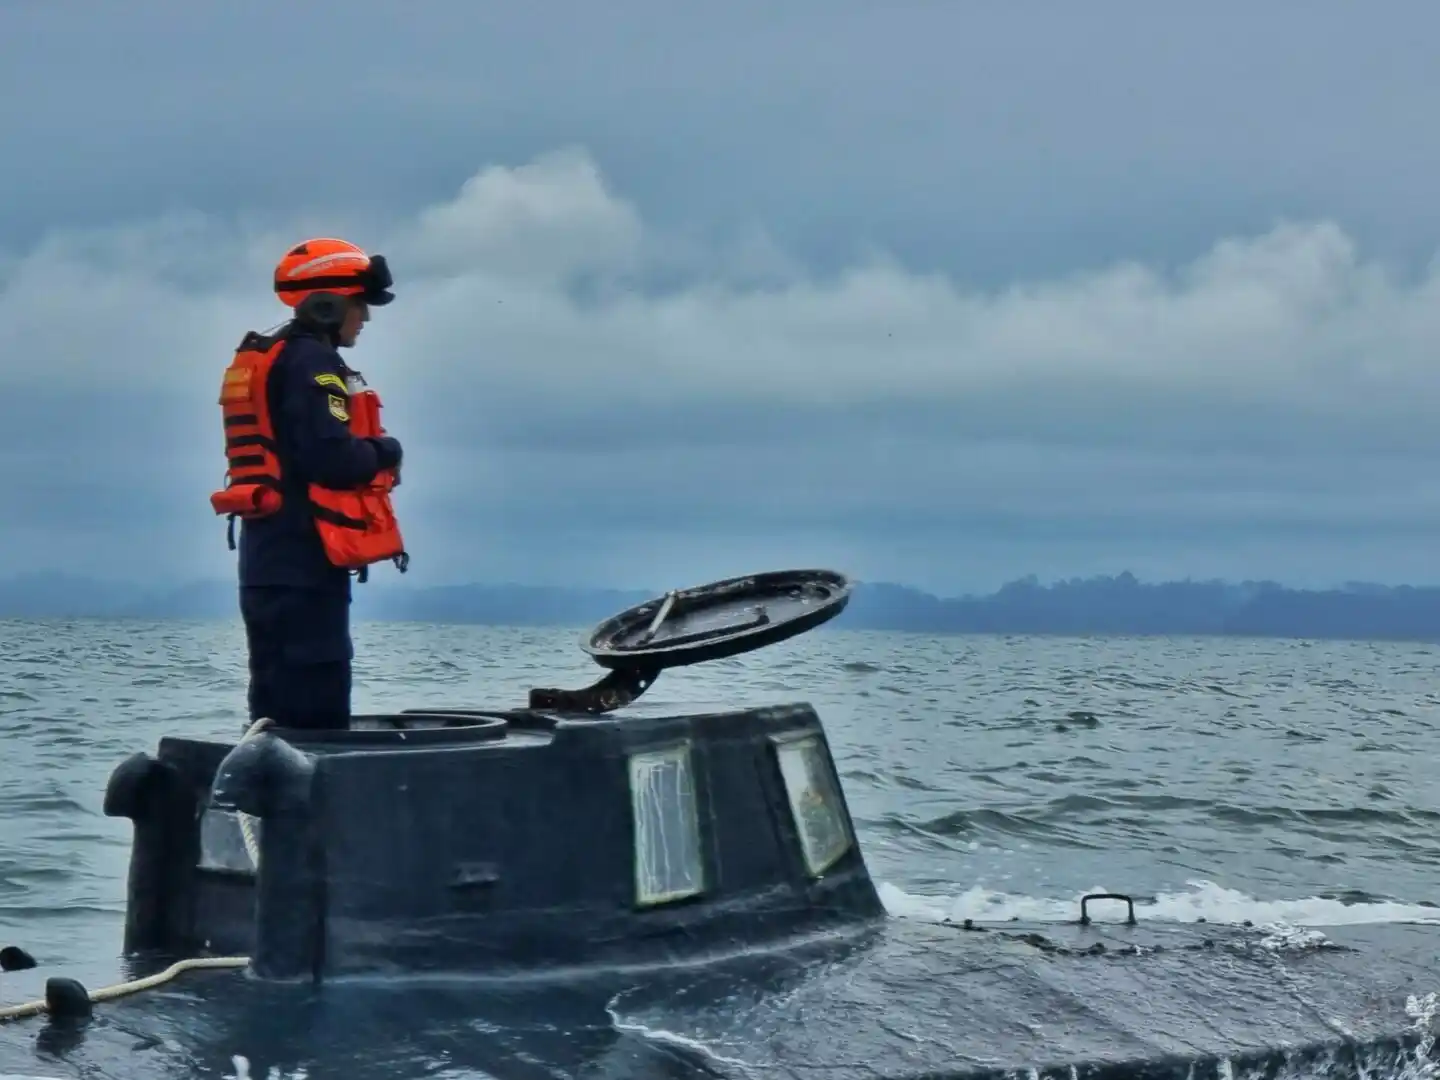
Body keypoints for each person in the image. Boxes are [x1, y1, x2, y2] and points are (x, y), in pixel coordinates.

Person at [209, 237, 409, 731]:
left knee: (274, 705)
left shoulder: (272, 354)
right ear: (329, 305)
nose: (365, 318)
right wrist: (387, 451)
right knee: (315, 706)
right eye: (360, 305)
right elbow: (331, 458)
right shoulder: (312, 364)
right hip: (305, 561)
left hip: (267, 560)